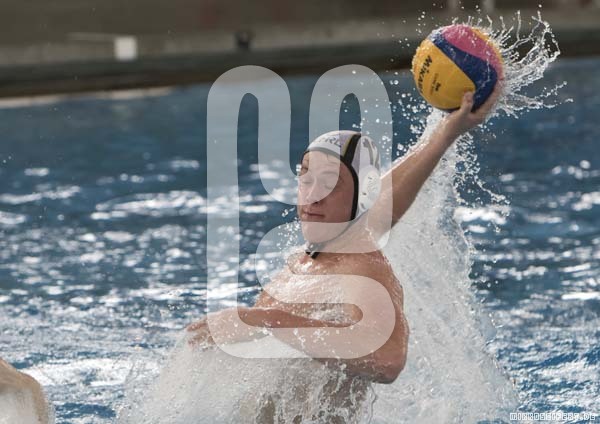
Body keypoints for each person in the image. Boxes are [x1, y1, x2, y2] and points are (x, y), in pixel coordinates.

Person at [0, 86, 500, 424]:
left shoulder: (365, 269)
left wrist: (263, 320)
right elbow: (385, 194)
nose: (310, 195)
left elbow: (388, 361)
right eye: (304, 177)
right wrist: (444, 133)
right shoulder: (323, 250)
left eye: (328, 183)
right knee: (23, 391)